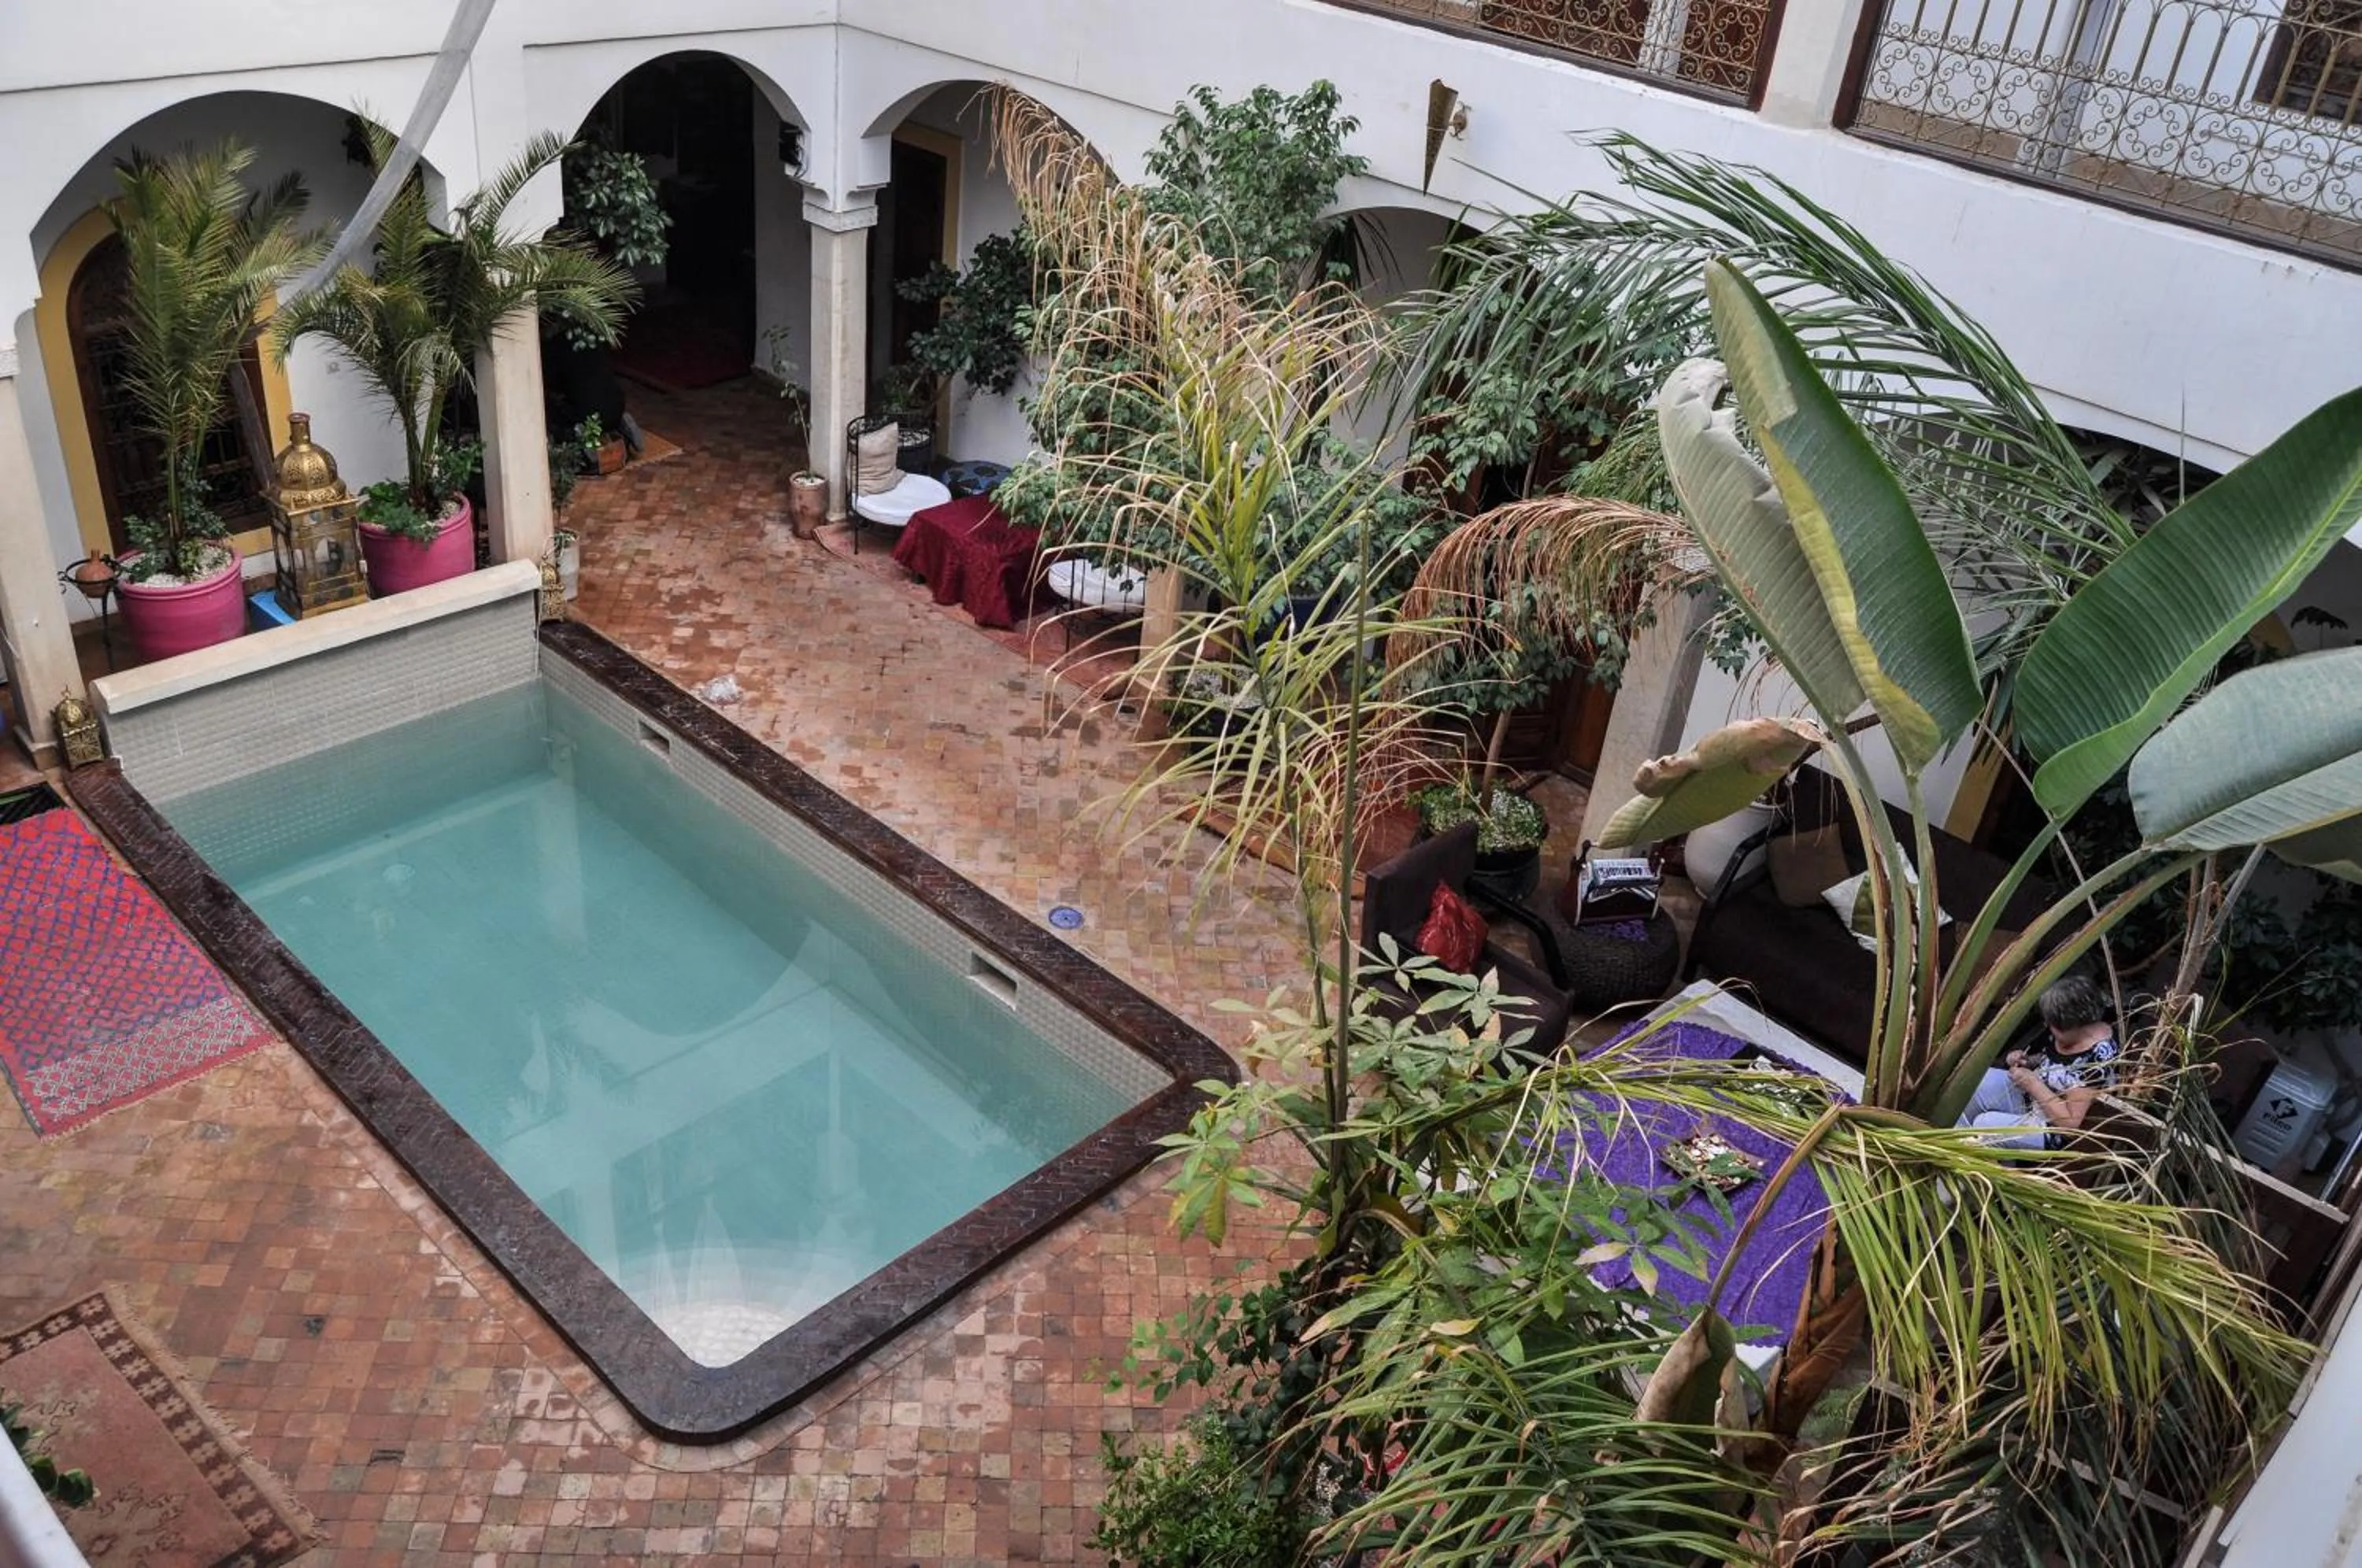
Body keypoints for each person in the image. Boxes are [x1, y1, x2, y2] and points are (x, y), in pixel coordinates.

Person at [1958, 974, 2123, 1150]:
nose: (2049, 1028)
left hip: (2053, 1128)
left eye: (2054, 1026)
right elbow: (2054, 1062)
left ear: (2076, 1025)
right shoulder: (2067, 1034)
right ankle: (1953, 1139)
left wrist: (2032, 1083)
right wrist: (2027, 1061)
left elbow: (2070, 1125)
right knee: (1980, 1083)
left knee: (1986, 1125)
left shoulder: (2097, 1058)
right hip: (2033, 1101)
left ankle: (1991, 1165)